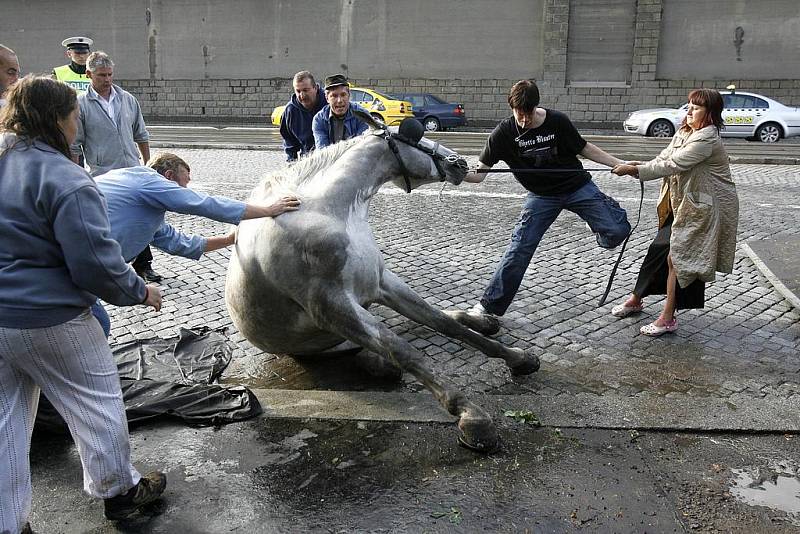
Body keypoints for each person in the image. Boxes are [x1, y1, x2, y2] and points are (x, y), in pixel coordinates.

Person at [0, 76, 166, 534]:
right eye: (75, 116)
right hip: (54, 319)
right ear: (58, 120)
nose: (78, 125)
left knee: (5, 424)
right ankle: (121, 495)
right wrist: (140, 290)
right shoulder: (67, 179)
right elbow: (95, 265)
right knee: (98, 405)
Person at [460, 79, 631, 321]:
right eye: (519, 114)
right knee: (519, 249)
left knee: (617, 230)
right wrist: (451, 173)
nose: (524, 120)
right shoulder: (503, 134)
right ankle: (487, 308)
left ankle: (596, 223)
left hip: (577, 186)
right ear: (511, 107)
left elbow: (585, 148)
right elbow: (479, 175)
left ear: (535, 107)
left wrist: (619, 164)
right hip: (541, 197)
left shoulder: (557, 121)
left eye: (528, 114)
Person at [91, 152, 301, 336]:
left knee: (97, 323)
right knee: (99, 324)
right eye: (185, 182)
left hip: (83, 262)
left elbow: (179, 243)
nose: (186, 188)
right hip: (75, 257)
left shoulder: (147, 207)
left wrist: (228, 240)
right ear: (169, 177)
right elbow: (202, 204)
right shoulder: (148, 182)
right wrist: (267, 210)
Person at [610, 88, 739, 336]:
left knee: (677, 259)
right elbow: (664, 156)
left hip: (703, 208)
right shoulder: (685, 131)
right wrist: (638, 165)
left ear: (710, 113)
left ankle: (668, 318)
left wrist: (635, 171)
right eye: (689, 105)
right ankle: (637, 298)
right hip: (681, 203)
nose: (689, 110)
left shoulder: (707, 138)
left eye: (696, 107)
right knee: (660, 249)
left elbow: (674, 164)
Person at [70, 51, 159, 281]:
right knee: (109, 220)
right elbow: (75, 145)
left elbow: (141, 133)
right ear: (89, 74)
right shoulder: (81, 105)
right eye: (101, 75)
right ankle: (109, 265)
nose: (107, 79)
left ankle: (144, 264)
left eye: (110, 74)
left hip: (132, 169)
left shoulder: (127, 99)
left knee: (140, 215)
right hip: (103, 173)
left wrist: (147, 164)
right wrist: (77, 174)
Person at [312, 74, 369, 149]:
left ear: (349, 95)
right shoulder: (319, 120)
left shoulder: (363, 116)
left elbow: (362, 148)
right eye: (334, 96)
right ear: (327, 98)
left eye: (343, 95)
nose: (339, 100)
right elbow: (323, 152)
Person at [280, 70, 326, 161]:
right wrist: (292, 163)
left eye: (305, 90)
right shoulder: (290, 110)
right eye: (298, 91)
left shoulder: (328, 103)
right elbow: (289, 141)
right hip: (307, 159)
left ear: (315, 88)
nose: (302, 95)